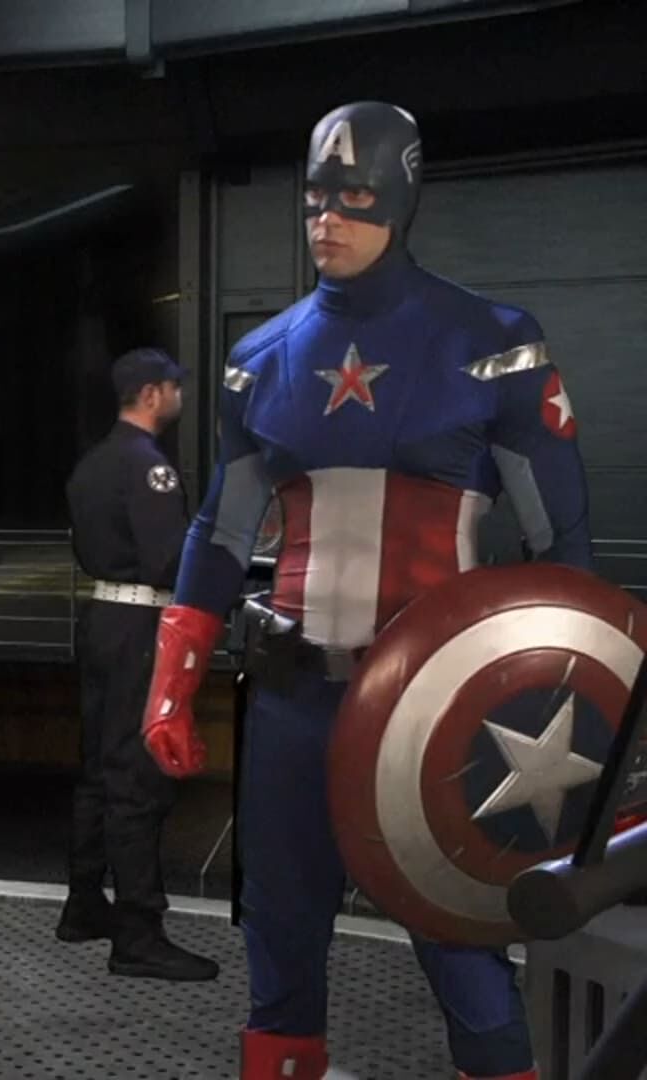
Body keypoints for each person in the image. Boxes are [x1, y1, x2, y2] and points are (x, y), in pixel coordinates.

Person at [141, 101, 590, 1080]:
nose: (327, 220)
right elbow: (222, 531)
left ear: (402, 198)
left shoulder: (492, 342)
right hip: (293, 696)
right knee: (280, 930)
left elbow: (562, 550)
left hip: (435, 711)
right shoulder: (262, 360)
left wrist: (568, 704)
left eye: (354, 198)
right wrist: (171, 679)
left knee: (460, 939)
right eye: (315, 199)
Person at [59, 347, 218, 982]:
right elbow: (166, 562)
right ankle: (138, 933)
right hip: (140, 628)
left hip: (101, 618)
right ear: (153, 394)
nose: (180, 397)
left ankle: (83, 903)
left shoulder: (93, 462)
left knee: (98, 768)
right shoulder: (150, 467)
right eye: (175, 387)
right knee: (137, 777)